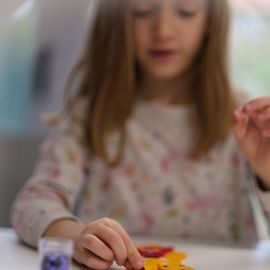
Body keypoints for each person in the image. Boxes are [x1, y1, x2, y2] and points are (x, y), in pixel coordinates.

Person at [11, 0, 270, 269]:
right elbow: (31, 205)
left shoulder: (245, 122)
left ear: (211, 22)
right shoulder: (87, 117)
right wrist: (77, 237)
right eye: (142, 11)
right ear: (115, 19)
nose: (163, 30)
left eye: (186, 11)